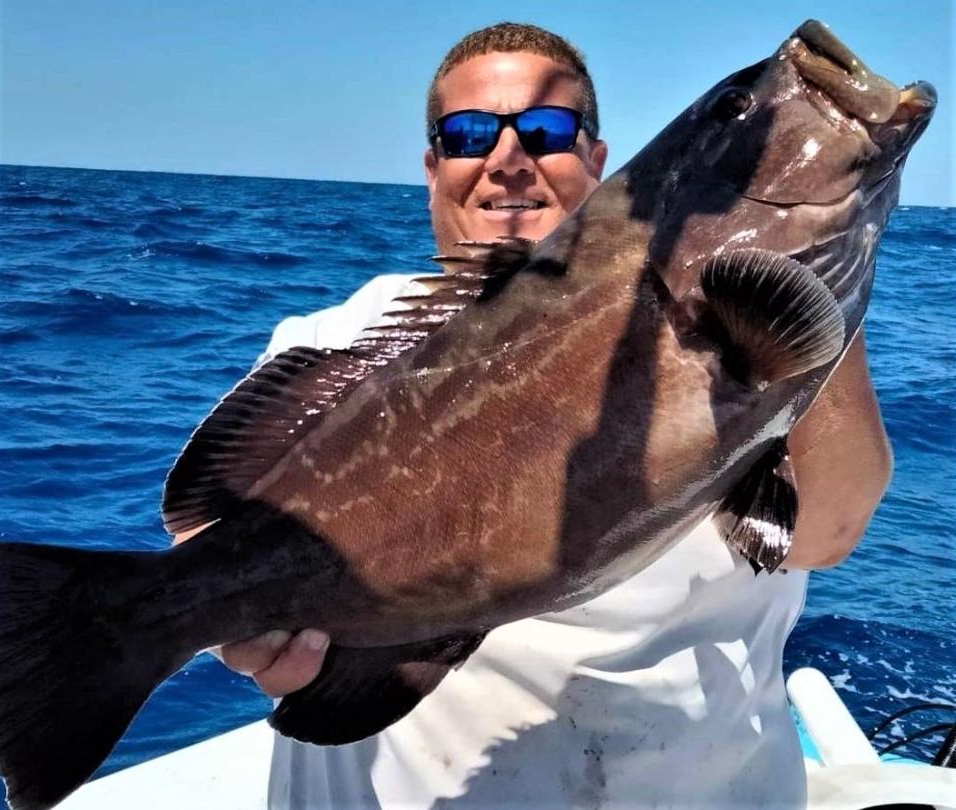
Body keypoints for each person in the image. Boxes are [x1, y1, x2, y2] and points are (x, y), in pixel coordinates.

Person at [177, 22, 892, 808]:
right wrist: (222, 621)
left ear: (598, 162)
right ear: (431, 169)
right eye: (468, 135)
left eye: (546, 131)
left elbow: (829, 530)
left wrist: (806, 273)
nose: (507, 158)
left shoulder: (745, 343)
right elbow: (208, 538)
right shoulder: (338, 341)